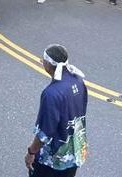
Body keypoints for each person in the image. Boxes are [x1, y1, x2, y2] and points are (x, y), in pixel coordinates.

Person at [25, 44, 87, 177]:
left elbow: (45, 133)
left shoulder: (51, 93)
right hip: (73, 152)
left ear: (48, 64)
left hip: (53, 159)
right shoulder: (79, 81)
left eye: (43, 60)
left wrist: (31, 152)